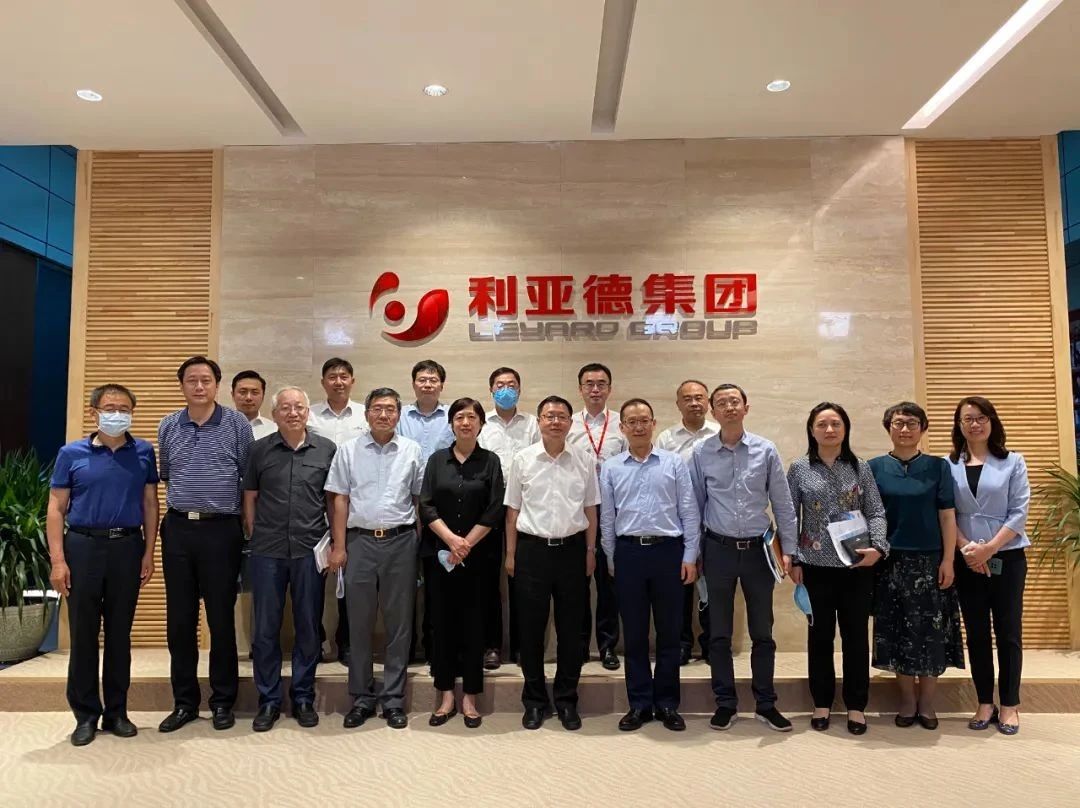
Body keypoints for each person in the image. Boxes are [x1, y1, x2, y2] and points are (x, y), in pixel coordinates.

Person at [47, 384, 159, 746]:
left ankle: (117, 712)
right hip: (82, 547)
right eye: (110, 408)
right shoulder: (71, 453)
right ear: (94, 411)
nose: (117, 414)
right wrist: (58, 561)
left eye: (124, 409)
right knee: (83, 634)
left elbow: (150, 504)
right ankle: (85, 715)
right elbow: (56, 508)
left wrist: (148, 552)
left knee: (119, 634)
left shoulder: (143, 452)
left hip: (127, 546)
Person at [690, 383, 798, 733]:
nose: (729, 407)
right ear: (713, 411)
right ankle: (725, 703)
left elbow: (783, 504)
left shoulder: (766, 449)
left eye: (734, 401)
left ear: (746, 408)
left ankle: (766, 703)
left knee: (762, 632)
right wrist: (694, 553)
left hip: (758, 552)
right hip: (717, 550)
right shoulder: (701, 452)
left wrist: (790, 551)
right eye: (722, 403)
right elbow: (695, 506)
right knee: (719, 633)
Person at [157, 356, 252, 733]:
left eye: (206, 380)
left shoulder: (237, 424)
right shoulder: (168, 424)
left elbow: (247, 478)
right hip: (179, 528)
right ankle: (184, 703)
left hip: (222, 530)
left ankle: (223, 701)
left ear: (217, 385)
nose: (199, 386)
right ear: (182, 385)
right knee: (179, 620)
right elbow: (167, 474)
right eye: (192, 380)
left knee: (220, 619)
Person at [325, 388, 424, 730]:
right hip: (360, 543)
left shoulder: (412, 450)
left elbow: (418, 500)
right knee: (359, 622)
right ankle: (362, 698)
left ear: (399, 414)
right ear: (366, 414)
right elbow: (339, 499)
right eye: (378, 408)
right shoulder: (348, 450)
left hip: (401, 542)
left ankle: (393, 699)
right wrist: (339, 546)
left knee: (400, 624)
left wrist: (418, 546)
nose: (384, 415)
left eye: (390, 409)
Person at [787, 401, 887, 735]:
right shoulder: (799, 468)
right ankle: (822, 703)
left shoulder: (860, 467)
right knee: (820, 637)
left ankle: (856, 705)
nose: (829, 430)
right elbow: (790, 517)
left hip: (856, 566)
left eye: (836, 424)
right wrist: (793, 558)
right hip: (814, 567)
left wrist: (878, 547)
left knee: (856, 637)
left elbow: (876, 511)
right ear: (811, 430)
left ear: (845, 429)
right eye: (822, 424)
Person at [601, 398, 699, 732]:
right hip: (629, 554)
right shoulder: (612, 467)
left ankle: (668, 703)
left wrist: (689, 556)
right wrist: (612, 559)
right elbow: (607, 518)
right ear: (622, 428)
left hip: (668, 553)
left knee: (670, 633)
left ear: (654, 424)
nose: (638, 426)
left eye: (644, 420)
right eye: (632, 421)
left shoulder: (674, 463)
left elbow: (689, 511)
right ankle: (640, 704)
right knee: (635, 633)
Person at [242, 387, 336, 732]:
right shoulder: (259, 450)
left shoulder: (326, 449)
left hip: (310, 549)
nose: (293, 413)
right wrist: (254, 534)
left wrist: (335, 543)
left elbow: (333, 500)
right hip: (267, 550)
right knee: (265, 628)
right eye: (285, 408)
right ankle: (268, 700)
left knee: (308, 625)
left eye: (299, 407)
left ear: (308, 412)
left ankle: (303, 696)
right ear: (275, 414)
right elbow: (249, 497)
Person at [506, 395, 600, 731]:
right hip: (532, 551)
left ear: (570, 423)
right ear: (539, 421)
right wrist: (511, 554)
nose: (555, 421)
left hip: (572, 551)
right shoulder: (523, 459)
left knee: (572, 631)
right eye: (549, 416)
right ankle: (534, 701)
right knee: (530, 630)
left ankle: (566, 700)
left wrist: (590, 551)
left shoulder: (584, 459)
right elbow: (512, 510)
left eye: (561, 416)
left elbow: (591, 509)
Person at [869, 402, 964, 730]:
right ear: (889, 428)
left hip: (931, 561)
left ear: (923, 428)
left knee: (931, 634)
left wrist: (949, 559)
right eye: (898, 423)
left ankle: (927, 702)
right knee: (898, 633)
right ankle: (908, 700)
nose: (905, 429)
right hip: (890, 562)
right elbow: (868, 516)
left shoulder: (939, 467)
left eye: (911, 423)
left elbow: (947, 515)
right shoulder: (874, 468)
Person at [419, 398, 505, 729]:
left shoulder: (490, 461)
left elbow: (495, 508)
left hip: (478, 557)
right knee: (442, 624)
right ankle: (445, 697)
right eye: (459, 417)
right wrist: (451, 541)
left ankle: (470, 697)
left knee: (474, 625)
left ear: (481, 424)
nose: (465, 422)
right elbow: (426, 505)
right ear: (451, 424)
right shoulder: (436, 460)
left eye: (471, 417)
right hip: (440, 556)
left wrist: (466, 543)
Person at [947, 396, 1030, 736]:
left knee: (1008, 632)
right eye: (967, 419)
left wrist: (990, 548)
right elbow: (946, 512)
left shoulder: (1013, 461)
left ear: (992, 421)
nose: (975, 424)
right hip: (966, 557)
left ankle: (1009, 704)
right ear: (959, 426)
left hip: (1006, 556)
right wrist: (967, 548)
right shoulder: (949, 464)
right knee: (977, 633)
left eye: (981, 417)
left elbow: (1019, 512)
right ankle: (984, 702)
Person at [477, 366, 540, 668]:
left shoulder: (531, 424)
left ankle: (522, 646)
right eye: (500, 385)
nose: (506, 390)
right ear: (491, 390)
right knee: (489, 579)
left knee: (521, 578)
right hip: (488, 506)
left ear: (519, 389)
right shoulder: (482, 423)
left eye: (511, 385)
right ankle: (491, 646)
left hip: (525, 506)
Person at [307, 357, 366, 666]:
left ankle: (346, 642)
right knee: (313, 580)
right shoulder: (310, 415)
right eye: (332, 376)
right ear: (323, 382)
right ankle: (315, 640)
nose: (338, 381)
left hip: (353, 504)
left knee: (350, 580)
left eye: (344, 376)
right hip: (314, 504)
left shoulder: (365, 415)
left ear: (352, 381)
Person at [567, 362, 625, 671]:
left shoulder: (620, 424)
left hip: (613, 510)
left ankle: (607, 646)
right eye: (589, 384)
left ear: (609, 389)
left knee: (608, 581)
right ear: (580, 389)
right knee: (577, 582)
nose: (595, 389)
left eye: (601, 384)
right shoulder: (569, 423)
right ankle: (578, 647)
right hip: (577, 509)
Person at [397, 359, 454, 665]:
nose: (428, 384)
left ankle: (434, 646)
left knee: (436, 583)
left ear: (441, 384)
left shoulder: (453, 416)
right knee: (404, 583)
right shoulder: (400, 415)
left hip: (441, 511)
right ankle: (405, 648)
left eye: (433, 379)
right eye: (422, 379)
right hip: (404, 505)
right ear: (413, 383)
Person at [657, 379, 718, 665]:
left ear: (708, 402)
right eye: (688, 398)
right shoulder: (666, 439)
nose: (694, 403)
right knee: (679, 586)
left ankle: (712, 643)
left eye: (699, 397)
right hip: (678, 524)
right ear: (678, 404)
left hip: (715, 521)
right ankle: (682, 643)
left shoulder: (719, 433)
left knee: (713, 585)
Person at [231, 370, 276, 439]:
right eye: (243, 392)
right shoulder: (220, 427)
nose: (248, 398)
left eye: (255, 393)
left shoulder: (274, 430)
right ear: (233, 395)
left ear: (263, 396)